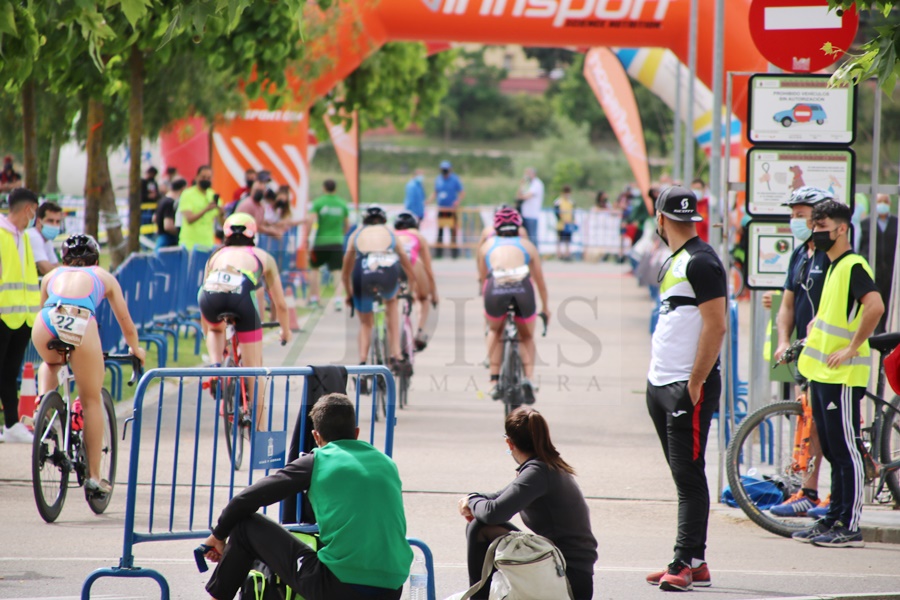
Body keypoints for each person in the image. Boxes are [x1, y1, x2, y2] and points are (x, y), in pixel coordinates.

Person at [201, 393, 412, 600]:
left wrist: (218, 536)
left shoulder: (319, 460)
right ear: (356, 433)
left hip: (336, 586)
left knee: (245, 526)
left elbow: (245, 500)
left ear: (316, 436)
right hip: (392, 589)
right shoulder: (387, 464)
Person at [645, 186, 726, 591]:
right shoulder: (674, 260)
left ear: (660, 219)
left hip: (685, 386)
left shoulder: (702, 261)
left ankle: (683, 561)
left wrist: (695, 381)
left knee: (688, 476)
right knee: (683, 476)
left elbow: (717, 325)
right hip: (660, 382)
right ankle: (696, 561)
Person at [794, 200, 884, 548]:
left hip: (843, 376)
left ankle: (851, 525)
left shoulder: (852, 265)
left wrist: (850, 348)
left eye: (822, 226)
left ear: (842, 228)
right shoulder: (833, 267)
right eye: (814, 226)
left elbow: (875, 306)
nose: (816, 233)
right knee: (832, 449)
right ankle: (833, 517)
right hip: (824, 374)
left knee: (846, 449)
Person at [31, 234, 146, 492]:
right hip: (81, 321)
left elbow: (43, 308)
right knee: (91, 397)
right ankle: (94, 476)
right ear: (95, 258)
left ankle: (44, 413)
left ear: (64, 259)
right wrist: (135, 348)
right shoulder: (103, 276)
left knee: (50, 364)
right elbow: (125, 321)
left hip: (47, 320)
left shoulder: (51, 276)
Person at [458, 407, 597, 600]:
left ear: (509, 442)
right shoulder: (545, 466)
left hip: (568, 577)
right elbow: (499, 497)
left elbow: (493, 513)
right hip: (563, 567)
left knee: (480, 527)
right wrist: (474, 498)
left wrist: (472, 501)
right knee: (482, 523)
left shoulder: (538, 472)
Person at [767, 187, 834, 518]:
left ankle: (835, 495)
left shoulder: (831, 254)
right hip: (804, 353)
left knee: (828, 424)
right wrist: (783, 340)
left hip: (832, 354)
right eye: (792, 214)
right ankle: (806, 491)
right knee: (808, 421)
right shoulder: (799, 254)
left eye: (801, 215)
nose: (795, 220)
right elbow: (788, 303)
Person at [199, 214, 292, 430]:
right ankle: (258, 429)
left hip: (210, 295)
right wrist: (285, 331)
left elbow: (204, 287)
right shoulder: (263, 256)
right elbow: (280, 303)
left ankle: (215, 367)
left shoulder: (215, 256)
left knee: (214, 330)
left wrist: (209, 331)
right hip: (241, 296)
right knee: (254, 371)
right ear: (253, 235)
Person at [478, 207, 549, 403]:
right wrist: (546, 308)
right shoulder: (527, 245)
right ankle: (528, 378)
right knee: (526, 335)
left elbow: (483, 279)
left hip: (496, 289)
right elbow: (540, 281)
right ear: (518, 227)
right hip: (522, 290)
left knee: (494, 330)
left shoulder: (487, 245)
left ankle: (493, 381)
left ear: (496, 228)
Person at [342, 205, 416, 383]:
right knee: (391, 304)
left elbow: (346, 272)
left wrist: (349, 294)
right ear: (383, 221)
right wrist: (410, 293)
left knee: (366, 323)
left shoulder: (357, 234)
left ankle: (362, 362)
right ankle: (396, 354)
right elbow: (407, 267)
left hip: (363, 272)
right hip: (387, 272)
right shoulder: (390, 232)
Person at [0, 188, 42, 443]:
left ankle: (12, 424)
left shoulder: (23, 237)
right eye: (35, 212)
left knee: (9, 371)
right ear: (28, 209)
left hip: (23, 317)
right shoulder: (2, 234)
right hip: (3, 314)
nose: (34, 218)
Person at [393, 211, 439, 351]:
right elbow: (428, 268)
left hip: (393, 265)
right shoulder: (418, 235)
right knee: (423, 298)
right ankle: (419, 330)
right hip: (413, 264)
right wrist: (433, 293)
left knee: (391, 300)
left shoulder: (392, 234)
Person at [306, 180, 350, 308]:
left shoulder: (319, 202)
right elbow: (347, 224)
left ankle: (315, 299)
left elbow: (310, 220)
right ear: (335, 189)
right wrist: (341, 234)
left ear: (324, 188)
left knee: (314, 269)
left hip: (320, 242)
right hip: (336, 242)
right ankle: (337, 300)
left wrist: (307, 238)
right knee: (337, 271)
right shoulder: (342, 204)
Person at [859, 193, 897, 333]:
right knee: (874, 301)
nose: (882, 204)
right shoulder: (866, 223)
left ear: (890, 203)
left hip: (891, 270)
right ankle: (876, 332)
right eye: (879, 201)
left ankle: (884, 332)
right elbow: (861, 246)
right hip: (872, 269)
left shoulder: (896, 222)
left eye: (885, 201)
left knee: (888, 301)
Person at [178, 165, 222, 250]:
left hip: (208, 244)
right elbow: (189, 219)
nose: (206, 180)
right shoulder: (187, 194)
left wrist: (222, 212)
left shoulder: (212, 195)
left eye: (209, 178)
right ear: (197, 177)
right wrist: (206, 209)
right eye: (203, 177)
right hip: (189, 245)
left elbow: (222, 223)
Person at [430, 160, 465, 259]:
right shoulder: (438, 179)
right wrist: (428, 201)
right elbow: (435, 192)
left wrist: (457, 202)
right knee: (440, 231)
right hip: (442, 210)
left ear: (450, 169)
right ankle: (438, 253)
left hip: (451, 210)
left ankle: (454, 254)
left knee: (452, 231)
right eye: (443, 169)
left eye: (446, 169)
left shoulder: (455, 179)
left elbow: (462, 192)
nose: (444, 171)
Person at [27, 201, 64, 275]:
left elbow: (55, 265)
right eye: (50, 221)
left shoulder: (47, 240)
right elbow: (46, 269)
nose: (54, 225)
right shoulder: (33, 237)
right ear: (38, 222)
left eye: (57, 222)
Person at [153, 178, 186, 250]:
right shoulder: (170, 203)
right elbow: (168, 226)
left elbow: (154, 218)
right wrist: (181, 233)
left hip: (160, 237)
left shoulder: (162, 200)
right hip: (168, 240)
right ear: (183, 189)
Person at [516, 167, 544, 244]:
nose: (526, 175)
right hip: (525, 213)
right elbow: (518, 195)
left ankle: (534, 254)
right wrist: (521, 185)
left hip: (532, 214)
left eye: (528, 173)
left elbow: (526, 196)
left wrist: (521, 196)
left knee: (532, 237)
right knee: (525, 236)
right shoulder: (528, 184)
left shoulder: (537, 184)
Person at [554, 185, 575, 261]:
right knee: (559, 239)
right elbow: (556, 212)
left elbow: (573, 212)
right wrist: (562, 219)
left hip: (568, 224)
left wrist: (572, 220)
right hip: (561, 224)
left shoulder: (571, 202)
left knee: (567, 240)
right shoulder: (558, 201)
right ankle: (559, 254)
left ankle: (567, 254)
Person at [690, 178, 710, 243]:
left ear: (704, 189)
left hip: (707, 242)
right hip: (691, 243)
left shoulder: (709, 203)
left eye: (698, 189)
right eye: (694, 189)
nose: (696, 191)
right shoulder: (689, 205)